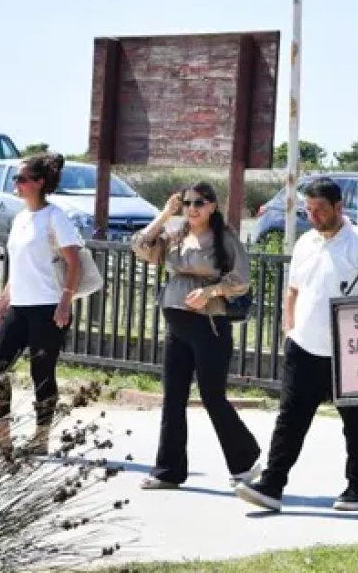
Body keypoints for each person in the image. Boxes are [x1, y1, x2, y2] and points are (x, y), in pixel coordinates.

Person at [236, 178, 358, 513]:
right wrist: (289, 331)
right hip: (304, 346)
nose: (314, 215)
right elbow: (293, 290)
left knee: (357, 425)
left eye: (320, 209)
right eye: (309, 209)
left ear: (338, 207)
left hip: (350, 351)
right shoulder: (305, 242)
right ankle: (272, 485)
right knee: (290, 419)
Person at [132, 183, 260, 490]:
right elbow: (141, 247)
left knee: (212, 396)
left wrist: (210, 291)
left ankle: (244, 460)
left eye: (199, 203)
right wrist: (165, 214)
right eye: (187, 203)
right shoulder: (177, 234)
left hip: (209, 325)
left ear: (212, 206)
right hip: (177, 324)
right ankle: (168, 471)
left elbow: (241, 280)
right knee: (173, 397)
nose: (192, 208)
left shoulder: (224, 237)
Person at [0, 153, 82, 456]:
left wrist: (65, 302)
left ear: (39, 182)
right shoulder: (20, 218)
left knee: (42, 372)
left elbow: (74, 262)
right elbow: (17, 268)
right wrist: (2, 304)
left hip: (48, 306)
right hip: (19, 306)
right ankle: (2, 436)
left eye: (21, 178)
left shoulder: (55, 216)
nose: (16, 183)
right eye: (16, 178)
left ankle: (41, 438)